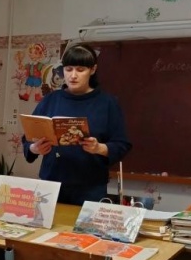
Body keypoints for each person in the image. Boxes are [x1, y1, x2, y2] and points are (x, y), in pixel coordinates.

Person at [22, 43, 132, 205]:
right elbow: (28, 138)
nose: (73, 75)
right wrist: (34, 148)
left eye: (80, 70)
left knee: (85, 223)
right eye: (68, 69)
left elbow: (122, 145)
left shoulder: (107, 103)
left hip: (90, 187)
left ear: (92, 70)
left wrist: (99, 148)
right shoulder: (50, 100)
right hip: (50, 184)